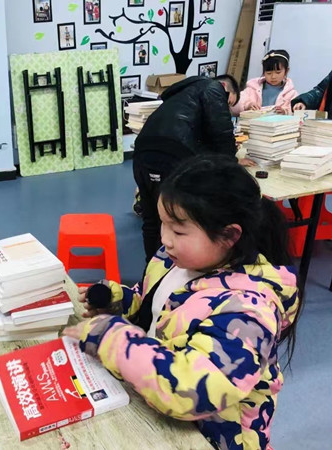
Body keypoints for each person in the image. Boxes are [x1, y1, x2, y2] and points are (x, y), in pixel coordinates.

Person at [64, 155, 300, 450]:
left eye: (178, 231)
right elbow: (156, 306)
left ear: (229, 235)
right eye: (163, 224)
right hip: (159, 415)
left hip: (213, 438)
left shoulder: (249, 311)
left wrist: (114, 340)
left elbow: (191, 390)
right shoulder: (174, 260)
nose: (165, 239)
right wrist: (121, 301)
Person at [132, 74, 248, 261]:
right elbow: (223, 134)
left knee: (151, 217)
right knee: (180, 219)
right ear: (225, 87)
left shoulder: (182, 93)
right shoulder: (214, 88)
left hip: (142, 153)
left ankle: (152, 270)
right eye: (228, 103)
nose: (226, 108)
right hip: (174, 155)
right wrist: (233, 163)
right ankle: (176, 268)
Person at [231, 50, 297, 116]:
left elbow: (296, 112)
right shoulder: (252, 89)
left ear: (286, 71)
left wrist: (285, 112)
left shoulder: (291, 94)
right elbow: (234, 104)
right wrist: (247, 105)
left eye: (278, 72)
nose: (273, 77)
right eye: (269, 73)